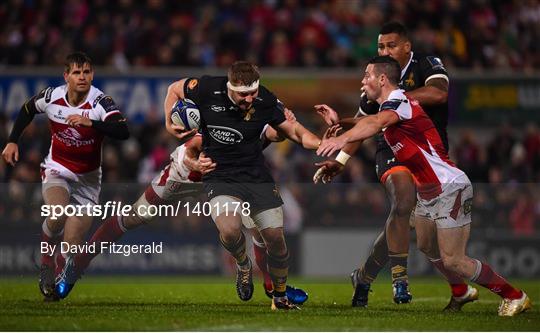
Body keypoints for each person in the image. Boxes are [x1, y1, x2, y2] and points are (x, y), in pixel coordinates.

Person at [317, 55, 531, 317]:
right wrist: (342, 123)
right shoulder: (391, 106)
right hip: (430, 191)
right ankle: (460, 292)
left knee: (454, 259)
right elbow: (372, 121)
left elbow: (374, 123)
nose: (363, 82)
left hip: (449, 186)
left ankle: (514, 296)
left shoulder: (399, 101)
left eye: (367, 75)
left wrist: (341, 141)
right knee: (427, 245)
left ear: (382, 79)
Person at [55, 111, 307, 305]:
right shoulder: (207, 130)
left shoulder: (249, 121)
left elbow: (274, 134)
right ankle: (77, 264)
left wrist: (281, 122)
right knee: (133, 217)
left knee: (259, 229)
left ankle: (271, 287)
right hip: (186, 176)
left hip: (229, 181)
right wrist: (193, 164)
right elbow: (188, 151)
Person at [313, 22, 476, 310]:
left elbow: (439, 94)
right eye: (380, 46)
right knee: (403, 202)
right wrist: (340, 161)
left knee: (410, 225)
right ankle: (400, 279)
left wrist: (396, 100)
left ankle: (364, 277)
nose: (385, 50)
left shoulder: (425, 66)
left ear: (406, 47)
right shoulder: (376, 83)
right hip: (391, 151)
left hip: (430, 158)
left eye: (390, 45)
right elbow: (364, 126)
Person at [165, 61, 321, 310]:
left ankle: (279, 297)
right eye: (243, 94)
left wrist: (323, 144)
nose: (249, 98)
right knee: (229, 230)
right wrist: (167, 123)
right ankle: (242, 264)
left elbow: (295, 131)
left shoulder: (266, 100)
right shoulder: (207, 89)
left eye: (253, 92)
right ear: (230, 87)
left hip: (255, 175)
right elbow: (174, 89)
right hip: (220, 175)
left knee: (276, 241)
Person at [1, 52, 129, 301]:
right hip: (57, 169)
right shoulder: (52, 96)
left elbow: (123, 130)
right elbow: (27, 109)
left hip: (89, 180)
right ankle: (46, 264)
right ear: (66, 76)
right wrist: (12, 141)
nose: (83, 77)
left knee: (71, 246)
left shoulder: (100, 102)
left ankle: (55, 282)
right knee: (57, 213)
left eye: (87, 72)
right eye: (77, 72)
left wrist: (91, 123)